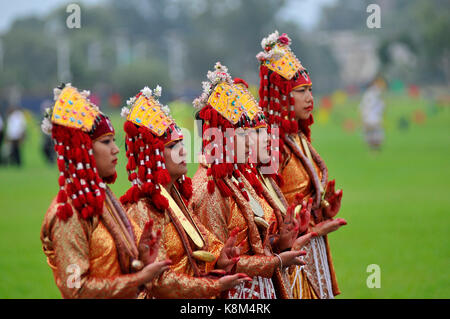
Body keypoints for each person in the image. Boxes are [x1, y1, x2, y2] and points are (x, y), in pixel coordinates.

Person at [120, 85, 252, 298]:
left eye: (182, 142)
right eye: (172, 146)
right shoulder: (143, 208)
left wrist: (221, 256)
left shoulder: (176, 197)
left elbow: (204, 240)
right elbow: (160, 280)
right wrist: (212, 286)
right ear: (152, 155)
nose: (183, 150)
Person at [40, 83, 170, 299]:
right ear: (83, 148)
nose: (116, 149)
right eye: (106, 141)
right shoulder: (68, 213)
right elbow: (76, 289)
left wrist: (140, 259)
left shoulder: (103, 196)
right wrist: (138, 279)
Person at [191, 62, 306, 299]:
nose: (252, 141)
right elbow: (215, 262)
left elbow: (257, 243)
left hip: (261, 288)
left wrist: (281, 241)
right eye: (244, 134)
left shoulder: (239, 178)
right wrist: (274, 260)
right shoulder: (209, 189)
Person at [256, 31, 347, 299]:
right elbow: (270, 212)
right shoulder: (271, 145)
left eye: (310, 90)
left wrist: (323, 208)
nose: (310, 98)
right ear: (283, 96)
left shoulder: (298, 137)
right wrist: (315, 226)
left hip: (313, 246)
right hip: (293, 256)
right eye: (301, 91)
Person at [359, 76, 387, 151]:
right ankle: (374, 150)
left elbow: (363, 107)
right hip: (372, 117)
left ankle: (373, 150)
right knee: (374, 134)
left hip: (371, 117)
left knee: (372, 134)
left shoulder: (370, 94)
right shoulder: (374, 93)